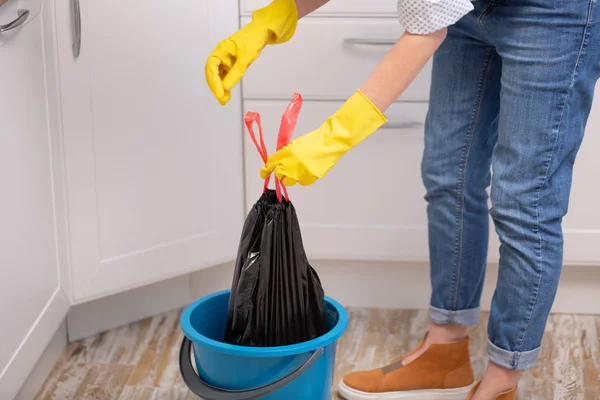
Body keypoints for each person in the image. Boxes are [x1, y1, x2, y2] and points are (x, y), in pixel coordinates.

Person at [205, 0, 600, 399]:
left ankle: (501, 382)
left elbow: (424, 31)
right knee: (449, 173)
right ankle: (444, 352)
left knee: (523, 203)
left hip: (554, 13)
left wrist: (335, 135)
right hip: (466, 9)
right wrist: (273, 18)